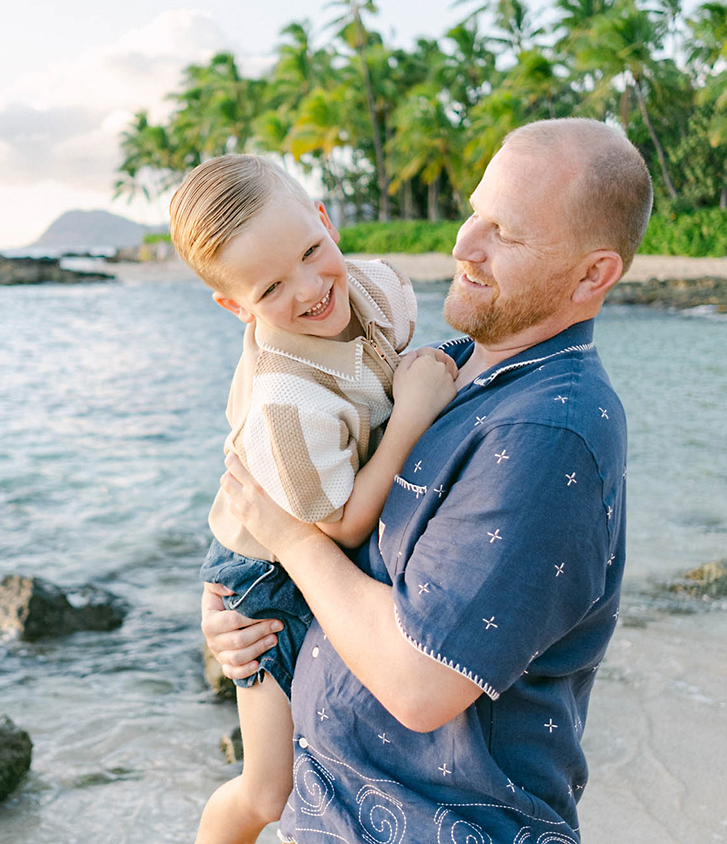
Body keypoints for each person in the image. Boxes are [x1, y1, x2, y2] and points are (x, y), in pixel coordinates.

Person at [206, 117, 654, 843]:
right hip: (326, 808)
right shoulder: (441, 367)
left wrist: (287, 541)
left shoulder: (548, 431)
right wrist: (234, 609)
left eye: (505, 233)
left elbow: (420, 685)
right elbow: (278, 478)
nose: (462, 245)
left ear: (592, 274)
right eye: (475, 210)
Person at [169, 153, 459, 844]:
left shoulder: (372, 289)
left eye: (310, 250)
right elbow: (339, 523)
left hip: (320, 521)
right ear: (235, 306)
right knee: (271, 790)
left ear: (326, 221)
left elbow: (397, 359)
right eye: (270, 286)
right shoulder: (283, 401)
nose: (307, 290)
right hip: (266, 572)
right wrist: (413, 416)